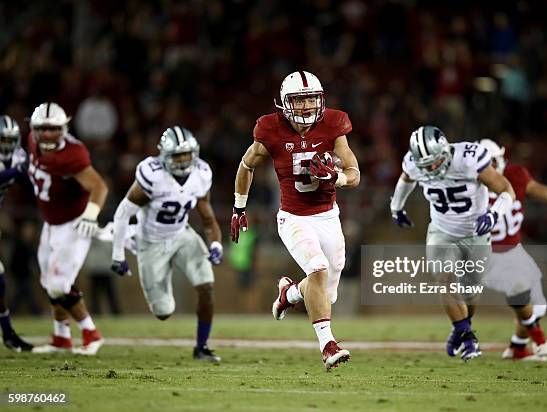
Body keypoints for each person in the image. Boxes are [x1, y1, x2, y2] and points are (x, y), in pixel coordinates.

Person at [231, 71, 360, 370]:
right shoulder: (270, 128)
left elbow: (354, 172)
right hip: (293, 217)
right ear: (285, 104)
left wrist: (336, 176)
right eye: (299, 101)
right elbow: (246, 165)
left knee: (327, 292)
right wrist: (239, 208)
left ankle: (289, 292)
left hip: (328, 216)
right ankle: (328, 345)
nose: (305, 107)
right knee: (318, 268)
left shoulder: (334, 123)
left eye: (310, 100)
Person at [390, 126, 516, 361]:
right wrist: (396, 206)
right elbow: (406, 179)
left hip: (475, 232)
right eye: (426, 165)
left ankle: (460, 326)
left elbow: (507, 190)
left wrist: (494, 215)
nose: (432, 169)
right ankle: (468, 339)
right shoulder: (414, 163)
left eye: (435, 162)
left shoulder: (469, 158)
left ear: (445, 151)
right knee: (444, 278)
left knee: (471, 290)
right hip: (441, 230)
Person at [111, 125, 223, 362]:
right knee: (164, 312)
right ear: (165, 156)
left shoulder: (201, 174)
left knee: (207, 286)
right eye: (177, 156)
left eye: (187, 155)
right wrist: (118, 255)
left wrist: (215, 245)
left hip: (181, 235)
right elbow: (122, 213)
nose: (183, 161)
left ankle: (201, 348)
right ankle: (135, 240)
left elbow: (208, 219)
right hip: (150, 242)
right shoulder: (152, 175)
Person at [478, 138, 547, 361]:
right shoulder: (469, 184)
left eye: (493, 160)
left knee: (537, 307)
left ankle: (517, 347)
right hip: (484, 252)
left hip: (514, 250)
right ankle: (539, 339)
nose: (492, 165)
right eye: (487, 161)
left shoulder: (516, 175)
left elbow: (545, 192)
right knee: (518, 289)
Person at [26, 102, 107, 355]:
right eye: (43, 129)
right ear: (34, 129)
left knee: (59, 284)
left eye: (53, 129)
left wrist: (90, 216)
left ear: (64, 128)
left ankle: (91, 332)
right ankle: (61, 337)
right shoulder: (31, 141)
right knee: (48, 280)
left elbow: (99, 187)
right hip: (50, 223)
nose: (48, 134)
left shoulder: (73, 153)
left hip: (73, 224)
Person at [0, 114, 33, 352]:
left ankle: (8, 333)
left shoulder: (20, 157)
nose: (7, 144)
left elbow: (31, 186)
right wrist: (17, 172)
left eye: (10, 139)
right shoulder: (17, 162)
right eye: (2, 139)